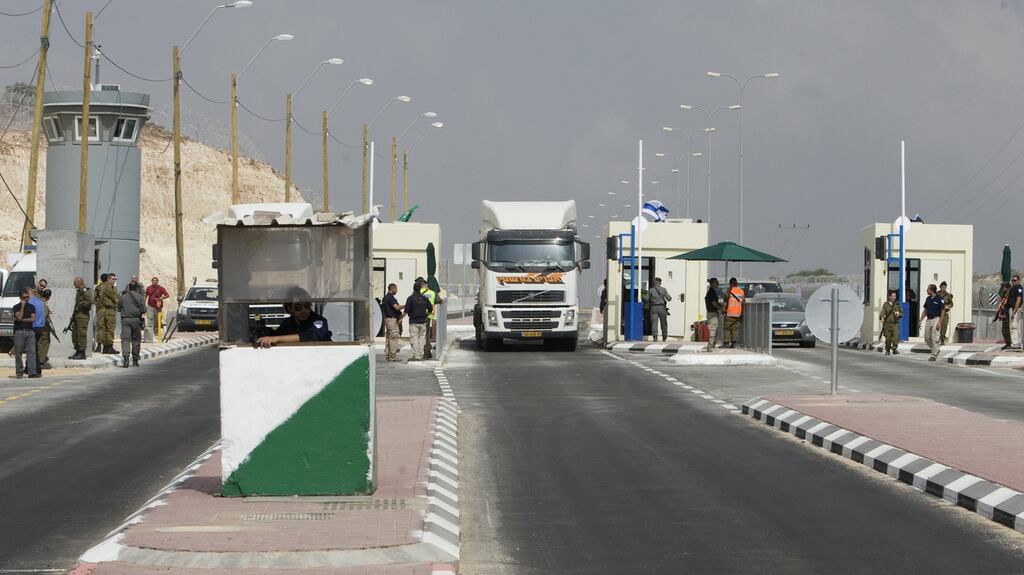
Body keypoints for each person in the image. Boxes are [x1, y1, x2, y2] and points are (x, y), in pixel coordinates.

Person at [256, 292, 332, 348]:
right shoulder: (288, 323)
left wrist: (277, 339)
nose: (303, 310)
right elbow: (277, 335)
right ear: (290, 308)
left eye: (307, 306)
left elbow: (313, 336)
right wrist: (265, 332)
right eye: (298, 307)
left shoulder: (319, 320)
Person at [11, 288, 39, 379]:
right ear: (20, 298)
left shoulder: (31, 307)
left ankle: (32, 372)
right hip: (19, 332)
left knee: (31, 352)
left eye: (27, 297)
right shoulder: (16, 307)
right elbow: (18, 316)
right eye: (24, 297)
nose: (26, 299)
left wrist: (21, 320)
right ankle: (19, 372)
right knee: (18, 352)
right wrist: (22, 307)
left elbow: (33, 319)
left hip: (29, 331)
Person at [118, 278, 146, 367]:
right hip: (136, 320)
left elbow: (119, 308)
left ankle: (126, 359)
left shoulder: (122, 297)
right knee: (136, 340)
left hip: (125, 319)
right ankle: (135, 360)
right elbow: (144, 310)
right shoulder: (140, 297)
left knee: (125, 339)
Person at [404, 280, 433, 361]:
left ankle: (417, 355)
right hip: (423, 321)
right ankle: (421, 354)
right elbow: (430, 309)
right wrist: (426, 315)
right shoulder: (424, 298)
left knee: (414, 338)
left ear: (413, 288)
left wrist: (400, 319)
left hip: (413, 321)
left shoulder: (410, 298)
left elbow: (406, 311)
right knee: (421, 339)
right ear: (420, 288)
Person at [69, 276, 93, 360]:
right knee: (75, 334)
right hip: (77, 315)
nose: (74, 284)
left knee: (81, 334)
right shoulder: (79, 291)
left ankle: (82, 353)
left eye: (75, 283)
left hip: (83, 316)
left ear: (80, 282)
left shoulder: (86, 291)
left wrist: (81, 304)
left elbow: (90, 302)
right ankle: (77, 351)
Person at [919, 283, 944, 361]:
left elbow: (943, 311)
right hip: (928, 320)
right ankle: (936, 349)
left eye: (928, 289)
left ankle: (934, 355)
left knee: (934, 338)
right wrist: (920, 320)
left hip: (936, 319)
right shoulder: (928, 299)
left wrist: (939, 323)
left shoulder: (939, 299)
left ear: (932, 290)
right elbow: (925, 310)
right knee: (927, 338)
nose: (927, 290)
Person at [95, 273, 119, 354]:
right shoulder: (110, 287)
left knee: (101, 328)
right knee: (110, 328)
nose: (114, 281)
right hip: (109, 310)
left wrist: (98, 304)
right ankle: (108, 347)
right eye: (113, 279)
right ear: (108, 279)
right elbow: (115, 298)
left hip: (100, 310)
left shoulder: (98, 287)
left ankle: (99, 345)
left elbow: (94, 299)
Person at [416, 277, 438, 359]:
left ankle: (419, 352)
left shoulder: (416, 293)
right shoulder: (432, 293)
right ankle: (427, 352)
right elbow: (439, 300)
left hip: (417, 316)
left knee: (418, 335)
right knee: (426, 335)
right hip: (428, 316)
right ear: (426, 285)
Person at [381, 283, 403, 361]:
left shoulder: (385, 298)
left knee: (389, 337)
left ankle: (389, 354)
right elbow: (396, 307)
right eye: (396, 289)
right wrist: (405, 305)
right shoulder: (391, 298)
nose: (396, 291)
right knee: (394, 337)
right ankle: (393, 356)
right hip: (392, 319)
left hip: (387, 319)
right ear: (392, 289)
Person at [646, 277, 672, 342]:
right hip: (662, 308)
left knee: (654, 323)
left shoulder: (651, 290)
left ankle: (655, 337)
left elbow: (646, 299)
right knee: (663, 322)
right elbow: (669, 299)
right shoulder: (663, 289)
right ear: (660, 283)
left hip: (653, 308)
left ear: (655, 283)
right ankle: (664, 336)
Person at [144, 276, 169, 342]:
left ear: (157, 281)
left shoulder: (161, 288)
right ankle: (150, 335)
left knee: (157, 320)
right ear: (151, 281)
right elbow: (145, 296)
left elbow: (167, 295)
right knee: (150, 319)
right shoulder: (148, 288)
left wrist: (161, 298)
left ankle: (156, 332)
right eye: (153, 280)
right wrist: (143, 304)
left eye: (155, 280)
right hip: (150, 306)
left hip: (158, 307)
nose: (154, 281)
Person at [879, 289, 902, 355]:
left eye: (895, 296)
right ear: (889, 297)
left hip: (895, 323)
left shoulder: (897, 304)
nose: (894, 297)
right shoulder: (886, 304)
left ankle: (894, 349)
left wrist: (898, 314)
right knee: (888, 338)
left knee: (896, 337)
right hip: (887, 324)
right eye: (893, 296)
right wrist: (882, 318)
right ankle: (887, 350)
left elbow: (901, 312)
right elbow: (883, 311)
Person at [723, 277, 744, 349]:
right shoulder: (741, 291)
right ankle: (734, 343)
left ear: (731, 284)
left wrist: (723, 311)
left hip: (730, 313)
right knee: (735, 328)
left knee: (727, 328)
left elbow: (725, 303)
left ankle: (726, 343)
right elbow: (743, 302)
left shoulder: (729, 291)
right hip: (738, 313)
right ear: (737, 283)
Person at [37, 288, 53, 369]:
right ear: (49, 296)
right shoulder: (44, 303)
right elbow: (43, 316)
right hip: (43, 327)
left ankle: (42, 359)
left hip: (40, 326)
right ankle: (41, 361)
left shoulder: (40, 301)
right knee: (44, 343)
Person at [704, 278, 722, 352]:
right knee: (713, 330)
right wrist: (721, 308)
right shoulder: (712, 292)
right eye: (717, 282)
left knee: (714, 330)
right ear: (713, 283)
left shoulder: (710, 292)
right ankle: (710, 347)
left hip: (710, 313)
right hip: (712, 314)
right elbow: (714, 304)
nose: (718, 284)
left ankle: (712, 345)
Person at [938, 281, 954, 345]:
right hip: (937, 312)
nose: (943, 288)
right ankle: (936, 338)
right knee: (937, 326)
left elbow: (951, 304)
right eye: (942, 287)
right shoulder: (937, 294)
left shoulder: (948, 295)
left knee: (944, 326)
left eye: (944, 287)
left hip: (944, 313)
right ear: (940, 287)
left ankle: (942, 338)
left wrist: (948, 306)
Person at [1011, 275, 1024, 351]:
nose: (1013, 282)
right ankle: (1017, 343)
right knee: (1015, 326)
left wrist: (1014, 311)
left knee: (1014, 326)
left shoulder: (1019, 289)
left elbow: (1018, 300)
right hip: (1013, 309)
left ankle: (1015, 344)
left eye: (1014, 280)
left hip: (1015, 309)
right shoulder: (1014, 288)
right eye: (1012, 280)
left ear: (1019, 280)